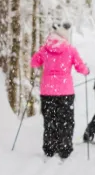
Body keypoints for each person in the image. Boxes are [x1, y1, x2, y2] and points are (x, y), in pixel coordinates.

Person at [30, 22, 89, 159]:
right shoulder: (70, 49)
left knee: (50, 120)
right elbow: (80, 68)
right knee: (66, 121)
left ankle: (50, 148)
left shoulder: (45, 49)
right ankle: (64, 148)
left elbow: (34, 63)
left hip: (47, 92)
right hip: (65, 92)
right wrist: (87, 70)